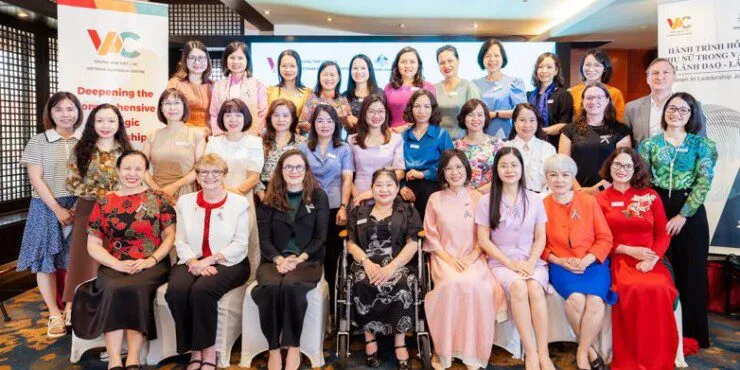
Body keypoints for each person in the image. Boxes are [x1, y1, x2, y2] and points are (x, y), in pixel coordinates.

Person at [71, 150, 175, 370]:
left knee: (134, 287)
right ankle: (115, 358)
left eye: (138, 168)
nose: (132, 173)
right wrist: (116, 264)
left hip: (151, 263)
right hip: (114, 262)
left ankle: (134, 356)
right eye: (127, 168)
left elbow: (170, 238)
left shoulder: (158, 199)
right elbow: (93, 245)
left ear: (145, 172)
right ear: (117, 170)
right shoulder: (105, 202)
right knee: (113, 286)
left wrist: (151, 260)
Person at [638, 92, 717, 348]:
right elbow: (642, 181)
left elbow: (704, 183)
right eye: (672, 109)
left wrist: (683, 214)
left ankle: (692, 335)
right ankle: (659, 331)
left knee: (691, 273)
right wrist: (654, 213)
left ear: (692, 115)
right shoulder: (650, 145)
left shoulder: (703, 146)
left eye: (684, 110)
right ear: (664, 112)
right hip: (656, 206)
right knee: (660, 272)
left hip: (690, 214)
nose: (676, 114)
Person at [165, 154, 251, 370]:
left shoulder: (239, 203)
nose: (209, 176)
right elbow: (180, 239)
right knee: (176, 290)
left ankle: (209, 352)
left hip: (230, 262)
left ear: (224, 175)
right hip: (191, 259)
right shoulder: (185, 202)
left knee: (202, 290)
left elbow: (240, 244)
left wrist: (209, 260)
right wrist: (194, 261)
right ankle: (194, 350)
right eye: (204, 172)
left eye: (216, 172)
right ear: (197, 176)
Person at [595, 147, 678, 370]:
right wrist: (627, 250)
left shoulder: (650, 196)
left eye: (628, 166)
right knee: (631, 287)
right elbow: (598, 239)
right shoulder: (600, 200)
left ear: (636, 169)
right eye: (617, 165)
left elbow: (662, 234)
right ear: (609, 168)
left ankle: (658, 356)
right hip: (620, 258)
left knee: (659, 288)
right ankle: (633, 355)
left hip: (651, 258)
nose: (622, 170)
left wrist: (653, 259)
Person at [424, 150, 507, 370]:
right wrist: (449, 259)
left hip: (474, 256)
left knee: (477, 287)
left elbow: (485, 235)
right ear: (442, 173)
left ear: (467, 170)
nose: (455, 172)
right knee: (451, 286)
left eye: (459, 167)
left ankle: (472, 352)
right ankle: (443, 351)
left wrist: (470, 257)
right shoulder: (435, 199)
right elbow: (431, 237)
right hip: (444, 258)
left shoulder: (478, 198)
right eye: (449, 168)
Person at [475, 147, 554, 370]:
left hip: (532, 260)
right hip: (502, 261)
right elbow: (484, 239)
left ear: (521, 168)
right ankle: (530, 353)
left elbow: (541, 237)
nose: (509, 170)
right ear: (496, 170)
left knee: (535, 289)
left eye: (514, 165)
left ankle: (543, 353)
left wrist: (529, 263)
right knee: (519, 287)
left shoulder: (535, 199)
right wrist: (511, 264)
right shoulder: (486, 201)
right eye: (504, 165)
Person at [252, 150, 329, 370]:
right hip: (273, 260)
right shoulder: (270, 198)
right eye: (288, 167)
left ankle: (293, 347)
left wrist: (299, 258)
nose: (294, 172)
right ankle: (274, 349)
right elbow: (264, 239)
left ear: (306, 171)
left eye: (298, 167)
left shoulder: (318, 196)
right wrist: (278, 259)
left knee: (291, 286)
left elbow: (320, 238)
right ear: (280, 171)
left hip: (307, 260)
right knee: (270, 287)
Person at [17, 92, 83, 337]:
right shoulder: (39, 141)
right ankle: (54, 313)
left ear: (78, 112)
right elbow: (35, 178)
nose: (65, 114)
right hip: (45, 207)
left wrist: (77, 208)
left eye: (70, 109)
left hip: (79, 207)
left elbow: (92, 177)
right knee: (46, 263)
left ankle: (71, 307)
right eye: (59, 109)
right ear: (50, 113)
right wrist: (57, 209)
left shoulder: (85, 141)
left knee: (75, 260)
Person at [542, 154, 614, 370]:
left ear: (572, 177)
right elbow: (538, 245)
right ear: (546, 178)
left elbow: (605, 238)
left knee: (594, 301)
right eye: (553, 175)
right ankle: (591, 350)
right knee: (575, 300)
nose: (559, 180)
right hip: (561, 265)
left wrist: (586, 260)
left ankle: (582, 352)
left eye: (565, 175)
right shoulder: (542, 205)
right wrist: (559, 260)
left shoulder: (588, 201)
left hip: (593, 263)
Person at [346, 168, 422, 370]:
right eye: (379, 185)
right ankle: (370, 339)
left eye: (389, 185)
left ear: (397, 188)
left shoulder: (408, 210)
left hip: (398, 261)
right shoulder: (359, 212)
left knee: (402, 283)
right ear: (371, 189)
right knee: (362, 282)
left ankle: (400, 342)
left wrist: (393, 266)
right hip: (366, 262)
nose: (384, 189)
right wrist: (366, 262)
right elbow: (351, 243)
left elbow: (413, 244)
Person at [63, 104, 133, 309]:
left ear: (119, 124)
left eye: (111, 121)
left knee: (115, 256)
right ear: (92, 123)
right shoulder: (81, 149)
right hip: (88, 209)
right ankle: (72, 306)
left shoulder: (126, 150)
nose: (105, 126)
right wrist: (104, 196)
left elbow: (134, 179)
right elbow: (71, 183)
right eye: (100, 120)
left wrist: (116, 197)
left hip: (120, 210)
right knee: (82, 259)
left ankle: (110, 305)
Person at [297, 105, 354, 312]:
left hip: (335, 208)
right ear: (313, 124)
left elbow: (347, 179)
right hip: (309, 208)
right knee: (311, 255)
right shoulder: (304, 148)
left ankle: (333, 313)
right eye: (320, 120)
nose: (325, 125)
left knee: (333, 258)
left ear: (336, 124)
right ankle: (311, 311)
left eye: (330, 121)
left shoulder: (343, 148)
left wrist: (344, 206)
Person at [205, 99, 263, 282]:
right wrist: (222, 193)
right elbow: (206, 171)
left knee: (244, 244)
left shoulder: (254, 141)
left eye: (238, 114)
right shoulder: (213, 142)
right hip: (214, 200)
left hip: (243, 201)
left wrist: (232, 195)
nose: (233, 119)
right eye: (228, 114)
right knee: (217, 242)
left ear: (245, 117)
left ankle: (248, 283)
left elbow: (254, 176)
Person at [559, 82, 631, 194]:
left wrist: (597, 189)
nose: (594, 101)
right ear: (582, 101)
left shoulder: (621, 131)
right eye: (589, 98)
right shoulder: (569, 130)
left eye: (599, 97)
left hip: (609, 192)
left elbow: (622, 166)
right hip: (575, 193)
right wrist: (578, 190)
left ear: (607, 100)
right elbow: (563, 165)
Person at [624, 58, 707, 144]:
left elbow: (702, 142)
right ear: (647, 79)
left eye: (666, 72)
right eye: (655, 73)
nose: (660, 77)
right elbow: (626, 145)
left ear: (674, 78)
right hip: (641, 157)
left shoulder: (691, 105)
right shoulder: (631, 108)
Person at [143, 88, 206, 199]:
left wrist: (175, 186)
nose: (172, 108)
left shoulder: (197, 135)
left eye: (177, 103)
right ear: (161, 108)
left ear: (184, 106)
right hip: (157, 195)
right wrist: (160, 192)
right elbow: (141, 168)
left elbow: (200, 168)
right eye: (167, 103)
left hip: (186, 195)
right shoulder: (151, 136)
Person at [401, 89, 454, 218]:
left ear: (433, 109)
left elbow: (451, 167)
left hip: (433, 184)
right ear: (411, 109)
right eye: (417, 106)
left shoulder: (441, 134)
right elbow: (397, 165)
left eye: (426, 106)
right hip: (406, 185)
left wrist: (422, 174)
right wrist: (401, 186)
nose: (421, 111)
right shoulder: (404, 135)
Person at [348, 95, 406, 205]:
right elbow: (347, 175)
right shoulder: (352, 140)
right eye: (371, 111)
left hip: (385, 194)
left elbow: (400, 172)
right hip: (359, 195)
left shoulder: (396, 139)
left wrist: (371, 193)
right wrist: (357, 197)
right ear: (364, 113)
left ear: (386, 113)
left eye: (380, 111)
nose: (376, 116)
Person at [209, 41, 267, 135]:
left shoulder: (257, 85)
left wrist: (254, 134)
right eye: (232, 57)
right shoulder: (218, 85)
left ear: (247, 60)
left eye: (240, 58)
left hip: (250, 137)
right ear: (226, 60)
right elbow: (214, 113)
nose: (235, 61)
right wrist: (219, 134)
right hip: (224, 137)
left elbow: (262, 114)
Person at [473, 38, 527, 139]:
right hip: (479, 137)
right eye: (487, 56)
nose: (492, 59)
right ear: (482, 59)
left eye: (496, 55)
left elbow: (522, 112)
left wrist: (496, 114)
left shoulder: (514, 82)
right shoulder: (475, 84)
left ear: (503, 58)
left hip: (505, 136)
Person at [258, 99, 307, 200]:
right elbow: (255, 173)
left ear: (292, 118)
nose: (280, 119)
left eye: (285, 115)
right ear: (270, 118)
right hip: (267, 194)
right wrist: (262, 196)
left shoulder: (303, 143)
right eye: (276, 115)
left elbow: (306, 172)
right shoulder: (261, 143)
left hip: (295, 194)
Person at [454, 99, 504, 193]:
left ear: (485, 118)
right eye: (470, 115)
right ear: (463, 118)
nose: (475, 119)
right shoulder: (455, 146)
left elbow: (502, 176)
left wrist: (478, 193)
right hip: (461, 198)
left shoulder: (497, 144)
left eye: (480, 115)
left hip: (489, 198)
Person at [506, 103, 557, 193]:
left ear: (537, 123)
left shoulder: (548, 149)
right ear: (514, 123)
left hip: (543, 201)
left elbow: (554, 179)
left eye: (532, 120)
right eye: (522, 120)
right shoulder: (505, 148)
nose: (527, 125)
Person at [434, 45, 481, 140]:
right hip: (438, 142)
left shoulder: (469, 87)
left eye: (450, 61)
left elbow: (477, 118)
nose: (446, 65)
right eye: (442, 63)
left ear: (458, 61)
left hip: (462, 142)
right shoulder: (434, 88)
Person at [526, 52, 573, 147]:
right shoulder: (529, 95)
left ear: (556, 71)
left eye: (549, 67)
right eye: (540, 67)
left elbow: (565, 125)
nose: (544, 70)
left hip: (553, 146)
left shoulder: (563, 95)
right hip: (530, 144)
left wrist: (540, 131)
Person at [384, 46, 436, 131]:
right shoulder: (389, 87)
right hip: (393, 134)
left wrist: (404, 128)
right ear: (397, 65)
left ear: (418, 65)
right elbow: (384, 114)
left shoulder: (428, 87)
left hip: (419, 134)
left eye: (412, 62)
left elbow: (432, 117)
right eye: (403, 62)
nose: (407, 66)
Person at [298, 61, 352, 138]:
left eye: (332, 75)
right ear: (319, 77)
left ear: (338, 78)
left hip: (336, 144)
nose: (329, 78)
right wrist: (314, 128)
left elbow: (350, 126)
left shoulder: (342, 100)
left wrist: (346, 120)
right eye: (325, 75)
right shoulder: (312, 98)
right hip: (314, 143)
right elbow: (301, 123)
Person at [167, 40, 213, 129]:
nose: (197, 62)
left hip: (211, 136)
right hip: (183, 134)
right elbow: (170, 113)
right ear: (185, 60)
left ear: (207, 60)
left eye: (201, 58)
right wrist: (194, 132)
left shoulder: (213, 85)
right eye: (192, 58)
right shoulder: (175, 83)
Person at [570, 49, 625, 121]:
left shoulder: (615, 93)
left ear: (605, 68)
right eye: (587, 65)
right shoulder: (572, 92)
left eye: (597, 65)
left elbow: (619, 122)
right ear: (582, 66)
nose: (591, 69)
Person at [344, 54, 385, 128]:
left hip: (376, 137)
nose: (359, 71)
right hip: (352, 138)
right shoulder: (345, 96)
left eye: (363, 68)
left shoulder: (379, 93)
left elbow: (385, 120)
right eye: (355, 68)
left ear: (369, 70)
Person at [266, 49, 312, 116]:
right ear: (279, 67)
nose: (288, 69)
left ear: (299, 68)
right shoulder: (270, 91)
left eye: (292, 66)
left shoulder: (308, 94)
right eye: (284, 66)